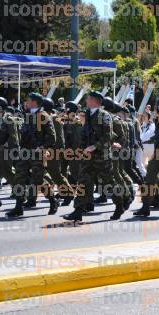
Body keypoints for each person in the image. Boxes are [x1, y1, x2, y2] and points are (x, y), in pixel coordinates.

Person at [63, 91, 115, 222]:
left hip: (101, 156)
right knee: (83, 182)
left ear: (95, 101)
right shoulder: (87, 114)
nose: (86, 100)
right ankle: (78, 210)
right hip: (87, 156)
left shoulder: (105, 115)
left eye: (89, 98)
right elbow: (84, 134)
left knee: (108, 183)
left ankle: (120, 204)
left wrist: (95, 146)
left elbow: (108, 136)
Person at [6, 93, 58, 218]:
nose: (26, 102)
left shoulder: (44, 116)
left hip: (37, 153)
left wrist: (43, 147)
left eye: (28, 100)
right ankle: (18, 207)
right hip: (25, 151)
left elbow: (52, 136)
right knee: (19, 178)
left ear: (35, 102)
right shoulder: (28, 115)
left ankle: (53, 201)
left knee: (38, 180)